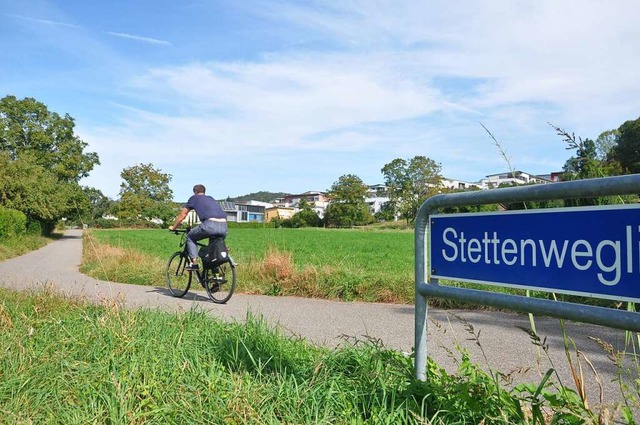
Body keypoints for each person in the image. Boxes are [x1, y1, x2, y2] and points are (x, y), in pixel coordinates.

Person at [168, 184, 227, 270]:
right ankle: (215, 277)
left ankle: (194, 263)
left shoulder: (194, 198)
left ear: (195, 192)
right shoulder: (210, 198)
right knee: (212, 251)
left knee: (190, 237)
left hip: (210, 225)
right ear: (204, 191)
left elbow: (183, 214)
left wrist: (174, 227)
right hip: (224, 227)